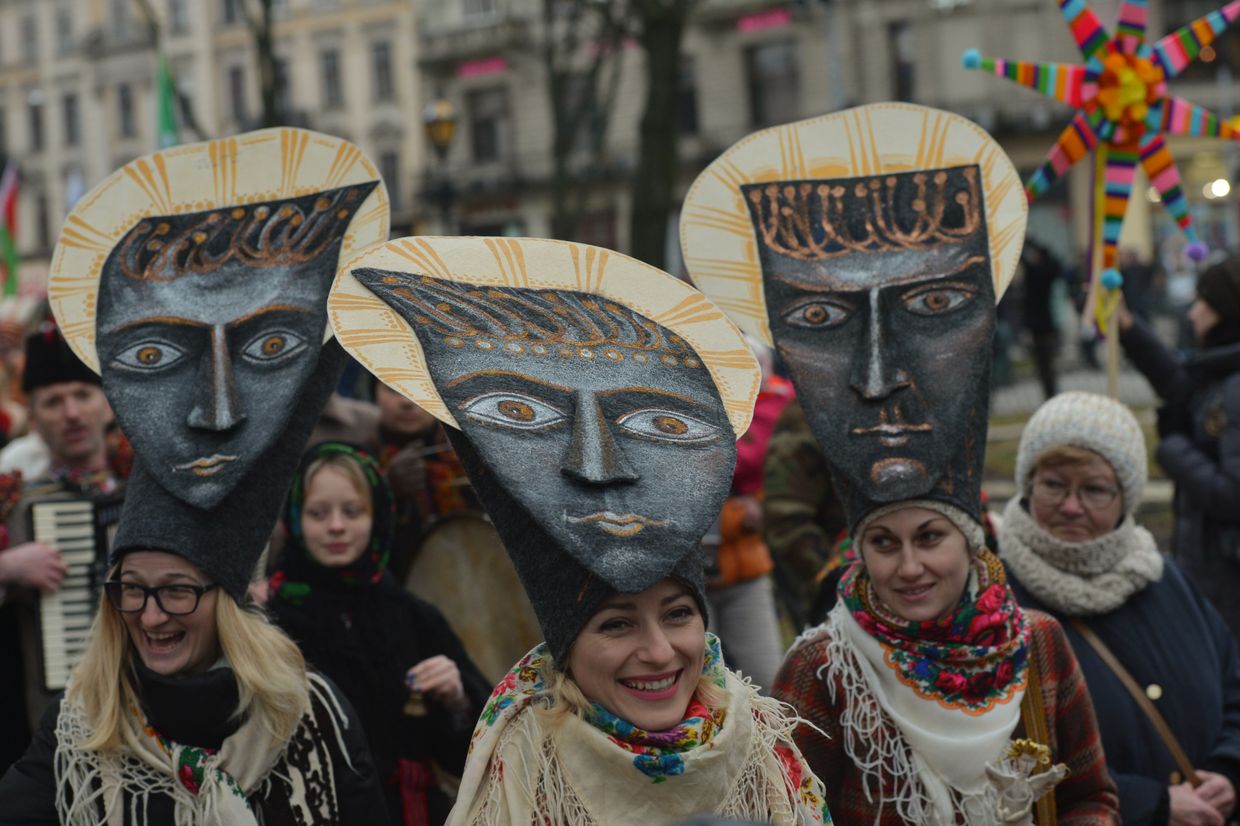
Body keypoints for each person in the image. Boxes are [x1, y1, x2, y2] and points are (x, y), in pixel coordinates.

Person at [684, 102, 1119, 823]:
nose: (909, 566)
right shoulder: (824, 669)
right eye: (883, 544)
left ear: (973, 541)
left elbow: (1088, 796)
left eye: (930, 539)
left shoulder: (1036, 648)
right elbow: (788, 810)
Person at [330, 234, 832, 824]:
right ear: (567, 643)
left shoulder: (768, 757)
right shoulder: (519, 778)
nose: (659, 651)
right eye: (615, 623)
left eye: (677, 613)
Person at [0, 126, 393, 823]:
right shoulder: (79, 726)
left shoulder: (315, 719)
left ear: (234, 596)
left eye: (176, 591)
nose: (150, 615)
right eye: (132, 590)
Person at [1001, 391, 1240, 825]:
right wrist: (1150, 805)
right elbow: (1001, 758)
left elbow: (1234, 685)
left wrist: (1230, 769)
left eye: (1094, 489)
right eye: (1054, 484)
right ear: (1028, 483)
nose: (1072, 506)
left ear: (1125, 497)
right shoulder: (996, 603)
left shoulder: (1166, 578)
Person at [269, 441, 491, 825]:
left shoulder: (411, 614)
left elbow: (472, 755)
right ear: (294, 519)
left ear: (377, 516)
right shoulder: (272, 623)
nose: (336, 525)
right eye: (318, 513)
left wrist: (458, 702)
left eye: (352, 511)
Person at [0, 326, 124, 768]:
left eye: (82, 395)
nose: (72, 413)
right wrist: (6, 568)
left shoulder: (147, 493)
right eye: (53, 402)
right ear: (33, 420)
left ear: (107, 403)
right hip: (55, 716)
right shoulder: (14, 505)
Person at [1118, 256, 1240, 634]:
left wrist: (1173, 447)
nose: (1192, 312)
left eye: (1203, 300)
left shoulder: (1236, 387)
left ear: (1226, 311)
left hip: (1227, 579)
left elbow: (1234, 495)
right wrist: (1128, 327)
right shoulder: (1223, 371)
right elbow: (1180, 383)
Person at [703, 338, 793, 691]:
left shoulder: (777, 405)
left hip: (746, 564)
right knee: (705, 686)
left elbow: (774, 467)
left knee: (767, 681)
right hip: (687, 572)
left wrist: (764, 501)